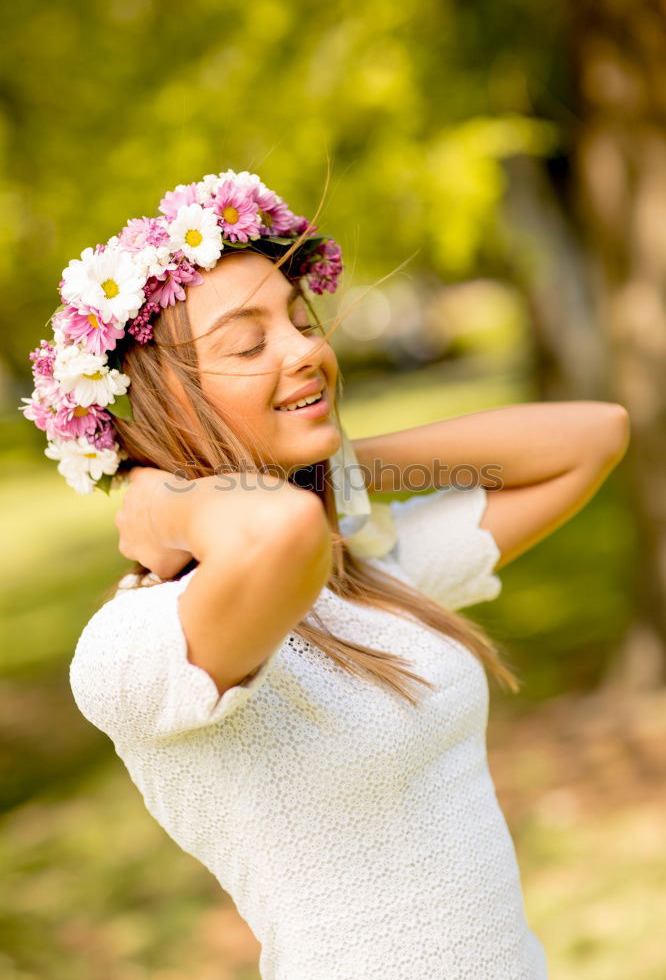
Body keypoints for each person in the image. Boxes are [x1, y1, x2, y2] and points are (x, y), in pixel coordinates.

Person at [22, 169, 630, 979]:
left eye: (300, 321)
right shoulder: (135, 647)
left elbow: (593, 435)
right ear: (163, 402)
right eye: (250, 342)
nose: (307, 349)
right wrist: (155, 494)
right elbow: (277, 532)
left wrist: (343, 461)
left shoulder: (367, 575)